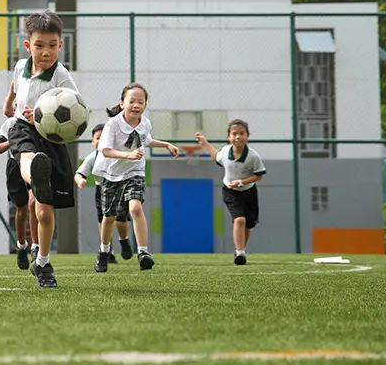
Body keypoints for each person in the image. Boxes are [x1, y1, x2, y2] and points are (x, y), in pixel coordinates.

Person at [2, 11, 78, 288]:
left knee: (45, 211)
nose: (46, 52)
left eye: (52, 45)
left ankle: (43, 262)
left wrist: (47, 114)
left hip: (51, 137)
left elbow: (75, 106)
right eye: (39, 45)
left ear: (60, 45)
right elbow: (15, 88)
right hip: (23, 128)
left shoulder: (61, 74)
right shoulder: (19, 68)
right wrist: (9, 105)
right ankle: (35, 176)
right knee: (26, 156)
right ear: (27, 45)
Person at [93, 84, 179, 273]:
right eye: (131, 101)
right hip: (112, 174)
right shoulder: (113, 124)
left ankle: (143, 253)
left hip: (135, 172)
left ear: (145, 105)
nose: (136, 105)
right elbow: (105, 150)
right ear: (122, 103)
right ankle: (103, 252)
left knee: (135, 207)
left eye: (141, 101)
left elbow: (145, 140)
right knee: (109, 217)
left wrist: (166, 145)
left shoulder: (145, 123)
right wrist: (128, 155)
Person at [195, 120, 266, 265]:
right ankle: (240, 253)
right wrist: (204, 143)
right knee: (239, 219)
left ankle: (241, 249)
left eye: (241, 133)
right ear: (229, 136)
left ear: (248, 136)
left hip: (249, 191)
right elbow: (216, 156)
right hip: (230, 192)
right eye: (234, 134)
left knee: (248, 224)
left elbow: (259, 175)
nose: (238, 137)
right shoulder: (226, 151)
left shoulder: (253, 156)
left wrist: (242, 182)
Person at [75, 124, 133, 264]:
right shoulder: (92, 157)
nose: (101, 141)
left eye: (104, 138)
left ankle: (124, 240)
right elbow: (79, 173)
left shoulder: (117, 153)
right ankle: (108, 250)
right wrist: (80, 180)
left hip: (119, 187)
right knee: (104, 220)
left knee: (120, 219)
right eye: (97, 138)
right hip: (101, 190)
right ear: (93, 141)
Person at [0, 115, 37, 270]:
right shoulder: (10, 123)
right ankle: (21, 247)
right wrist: (12, 141)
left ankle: (36, 248)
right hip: (15, 165)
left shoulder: (39, 119)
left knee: (34, 204)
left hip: (34, 163)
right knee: (22, 209)